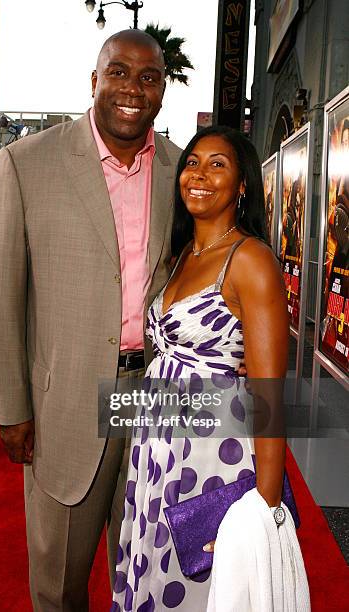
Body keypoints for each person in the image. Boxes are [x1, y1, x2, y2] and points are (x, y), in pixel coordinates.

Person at [0, 29, 181, 612]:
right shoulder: (27, 162)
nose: (132, 89)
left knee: (142, 570)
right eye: (118, 72)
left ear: (161, 91)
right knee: (59, 584)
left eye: (148, 77)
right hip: (63, 404)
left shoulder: (179, 169)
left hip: (154, 402)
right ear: (93, 82)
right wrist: (11, 408)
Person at [112, 125, 290, 611]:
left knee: (203, 587)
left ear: (243, 185)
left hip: (213, 460)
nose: (200, 175)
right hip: (157, 452)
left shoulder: (250, 260)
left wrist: (266, 510)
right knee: (157, 571)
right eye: (193, 162)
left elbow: (269, 394)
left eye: (218, 165)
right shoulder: (179, 257)